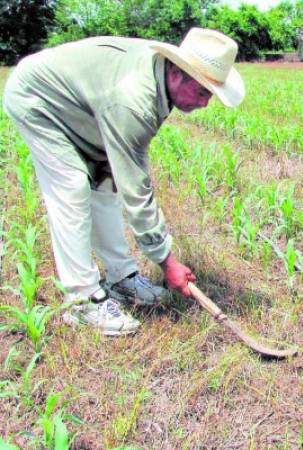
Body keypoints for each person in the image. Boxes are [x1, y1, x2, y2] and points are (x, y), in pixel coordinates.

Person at [3, 28, 245, 336]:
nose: (205, 104)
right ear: (176, 73)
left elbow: (121, 171)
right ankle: (81, 301)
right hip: (39, 99)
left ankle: (122, 277)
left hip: (86, 105)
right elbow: (137, 192)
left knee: (104, 185)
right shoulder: (134, 100)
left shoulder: (157, 81)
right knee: (72, 187)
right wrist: (166, 261)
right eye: (202, 93)